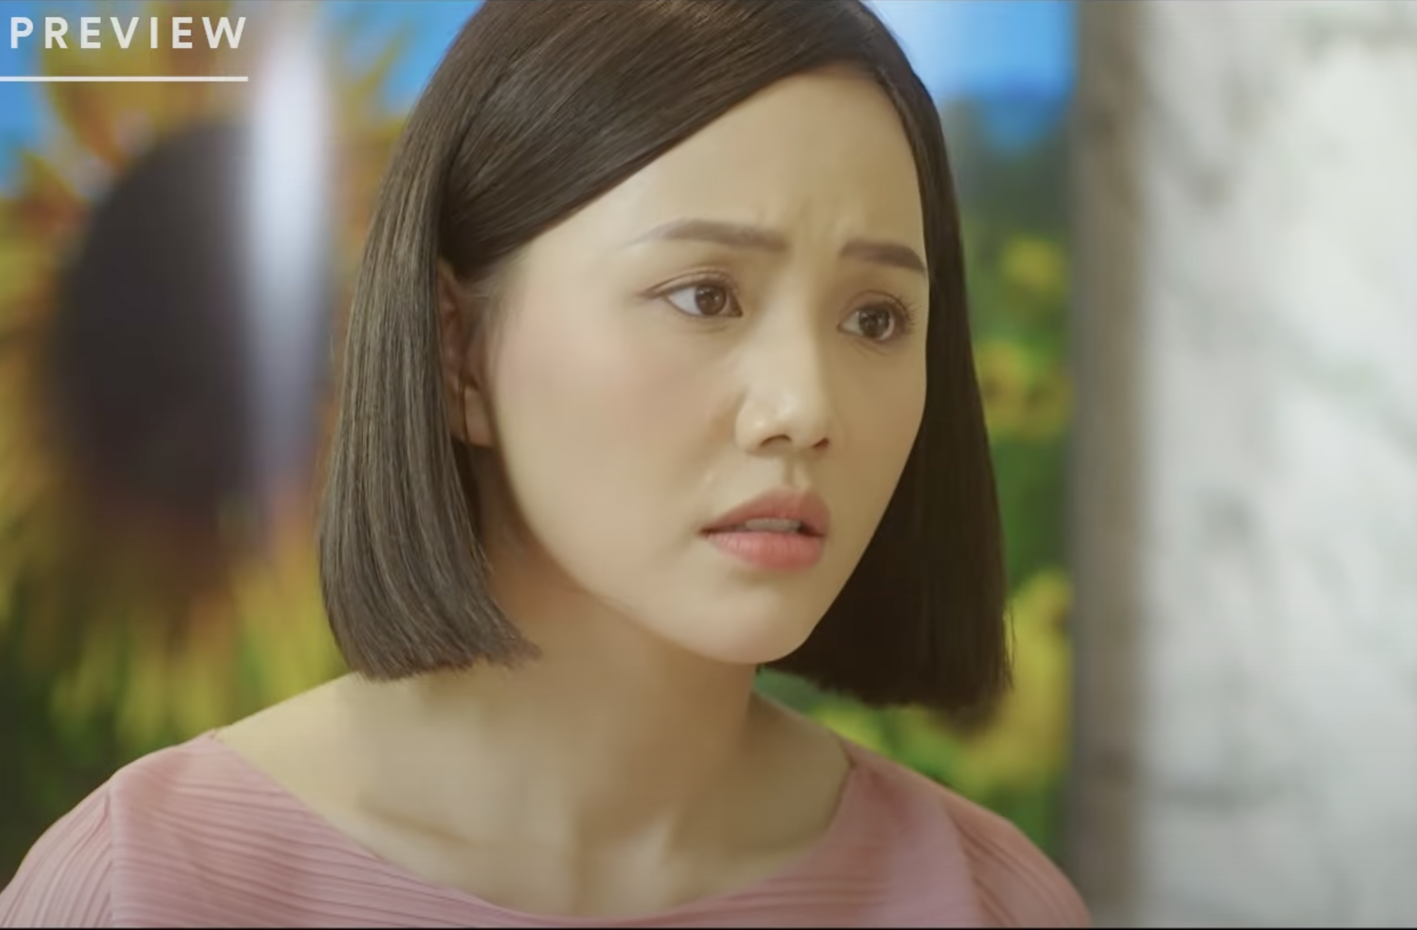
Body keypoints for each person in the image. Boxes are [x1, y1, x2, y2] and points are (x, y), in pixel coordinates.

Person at [0, 1, 1090, 925]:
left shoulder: (987, 899)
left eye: (877, 317)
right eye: (705, 295)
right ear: (456, 349)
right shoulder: (151, 883)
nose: (805, 408)